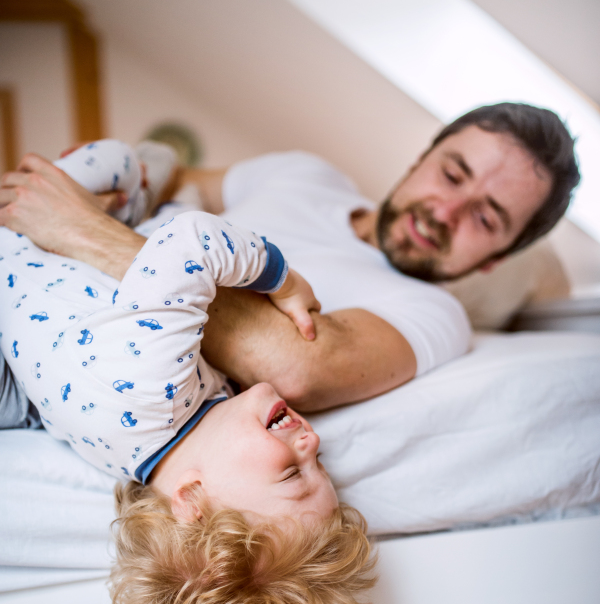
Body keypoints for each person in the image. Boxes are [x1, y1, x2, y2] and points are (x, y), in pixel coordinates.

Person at [0, 140, 376, 604]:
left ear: (193, 500)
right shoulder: (138, 455)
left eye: (293, 473)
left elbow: (191, 242)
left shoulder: (154, 390)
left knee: (126, 168)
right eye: (321, 468)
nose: (313, 445)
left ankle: (157, 162)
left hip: (21, 243)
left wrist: (281, 278)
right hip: (54, 291)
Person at [0, 102, 580, 417]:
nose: (445, 211)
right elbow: (173, 175)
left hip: (60, 343)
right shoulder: (306, 174)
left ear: (494, 259)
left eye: (486, 218)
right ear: (420, 158)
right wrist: (116, 187)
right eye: (452, 173)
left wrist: (82, 229)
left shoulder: (432, 315)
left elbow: (293, 367)